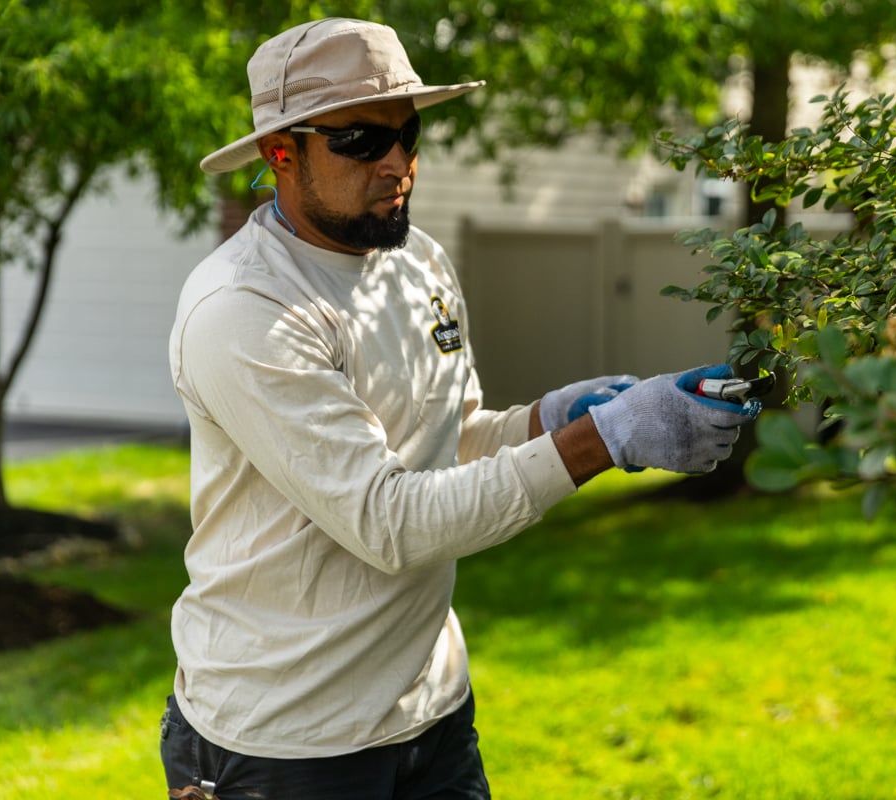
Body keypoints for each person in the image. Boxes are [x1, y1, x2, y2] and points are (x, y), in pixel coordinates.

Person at [161, 17, 757, 800]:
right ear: (282, 153)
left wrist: (559, 414)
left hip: (432, 712)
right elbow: (390, 522)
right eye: (361, 142)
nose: (398, 163)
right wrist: (601, 442)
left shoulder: (420, 262)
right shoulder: (245, 311)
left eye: (408, 135)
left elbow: (452, 440)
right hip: (287, 742)